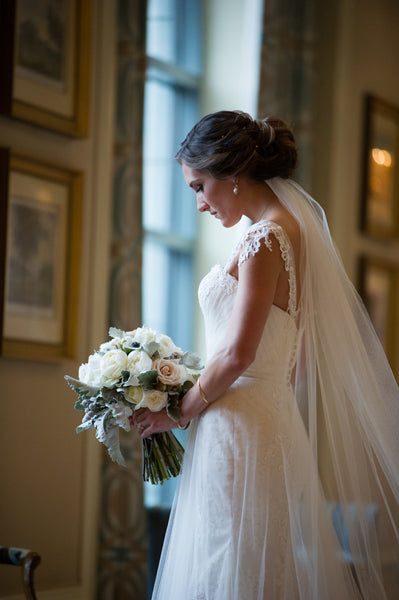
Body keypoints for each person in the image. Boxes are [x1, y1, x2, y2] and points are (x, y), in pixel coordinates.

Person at [134, 110, 399, 599]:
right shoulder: (290, 231)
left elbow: (236, 353)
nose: (198, 203)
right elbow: (290, 361)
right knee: (250, 559)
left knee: (229, 560)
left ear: (230, 173)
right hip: (264, 420)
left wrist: (179, 412)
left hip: (238, 425)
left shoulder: (263, 239)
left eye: (198, 186)